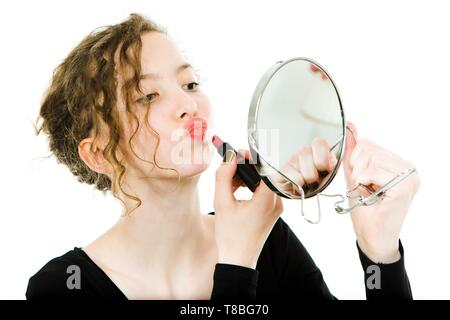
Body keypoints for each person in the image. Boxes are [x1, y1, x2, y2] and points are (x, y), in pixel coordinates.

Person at [26, 13, 421, 300]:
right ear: (98, 154)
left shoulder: (269, 241)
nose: (188, 103)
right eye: (147, 96)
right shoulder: (63, 286)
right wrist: (236, 265)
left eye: (190, 83)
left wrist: (379, 255)